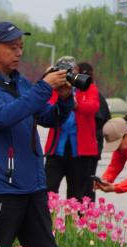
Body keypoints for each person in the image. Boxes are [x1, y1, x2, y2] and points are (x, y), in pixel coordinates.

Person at [0, 21, 73, 247]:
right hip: (1, 188)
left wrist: (65, 99)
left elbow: (48, 117)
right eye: (12, 47)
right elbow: (4, 116)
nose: (19, 53)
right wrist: (44, 88)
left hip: (32, 186)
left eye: (21, 47)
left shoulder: (22, 83)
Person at [42, 57, 100, 202]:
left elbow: (93, 106)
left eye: (71, 70)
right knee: (48, 189)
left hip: (80, 152)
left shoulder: (88, 86)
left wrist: (75, 104)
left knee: (77, 193)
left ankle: (73, 223)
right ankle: (48, 221)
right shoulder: (55, 87)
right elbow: (46, 105)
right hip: (57, 149)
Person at [94, 115, 127, 194]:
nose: (116, 148)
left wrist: (116, 187)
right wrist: (104, 180)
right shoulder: (122, 139)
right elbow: (115, 165)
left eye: (117, 144)